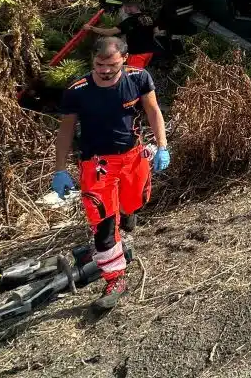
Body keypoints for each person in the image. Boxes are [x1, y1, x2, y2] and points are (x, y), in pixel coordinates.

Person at [51, 36, 170, 311]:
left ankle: (128, 213)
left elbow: (152, 110)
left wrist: (162, 145)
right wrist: (59, 170)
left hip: (132, 157)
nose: (105, 70)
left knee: (133, 203)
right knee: (103, 223)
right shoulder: (77, 90)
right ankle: (115, 279)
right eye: (99, 64)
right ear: (92, 61)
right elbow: (66, 130)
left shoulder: (139, 78)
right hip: (97, 164)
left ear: (125, 60)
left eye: (112, 64)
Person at [89, 0, 162, 69]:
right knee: (140, 74)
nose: (124, 10)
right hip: (151, 51)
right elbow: (156, 32)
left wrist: (91, 28)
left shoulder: (130, 21)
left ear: (130, 7)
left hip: (138, 54)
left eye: (124, 8)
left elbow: (109, 32)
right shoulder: (149, 17)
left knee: (133, 77)